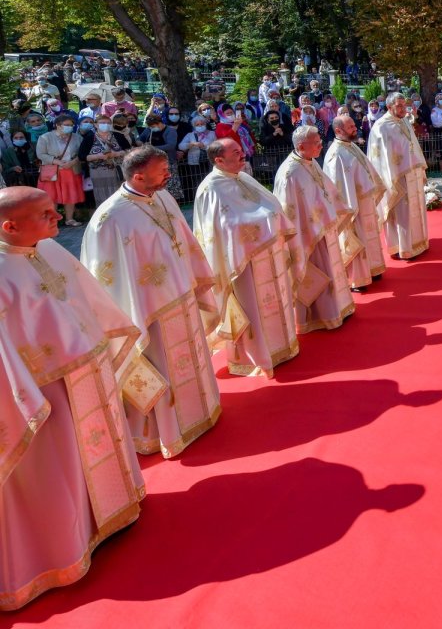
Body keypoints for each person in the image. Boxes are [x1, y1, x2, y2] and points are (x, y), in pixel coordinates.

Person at [0, 187, 144, 611]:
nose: (58, 218)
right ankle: (57, 551)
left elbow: (81, 297)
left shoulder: (46, 249)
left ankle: (100, 521)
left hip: (83, 375)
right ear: (10, 226)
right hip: (40, 394)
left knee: (87, 455)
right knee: (54, 467)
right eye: (46, 214)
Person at [80, 147, 221, 457]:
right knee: (161, 366)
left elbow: (183, 240)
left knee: (190, 360)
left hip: (181, 298)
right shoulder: (109, 218)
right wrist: (129, 319)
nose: (168, 174)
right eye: (162, 170)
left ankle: (200, 412)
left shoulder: (162, 196)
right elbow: (106, 278)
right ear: (138, 175)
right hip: (148, 312)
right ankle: (163, 431)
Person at [193, 139, 302, 377]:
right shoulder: (210, 188)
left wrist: (271, 218)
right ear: (219, 160)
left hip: (267, 255)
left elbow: (271, 204)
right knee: (252, 307)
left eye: (241, 151)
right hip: (242, 263)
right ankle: (253, 356)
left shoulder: (243, 177)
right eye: (236, 153)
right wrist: (265, 221)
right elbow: (223, 229)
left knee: (275, 302)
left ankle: (281, 346)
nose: (243, 155)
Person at [273, 126, 356, 332]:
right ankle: (317, 318)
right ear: (301, 146)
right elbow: (288, 211)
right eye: (316, 142)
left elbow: (325, 190)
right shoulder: (290, 173)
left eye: (320, 140)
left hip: (323, 228)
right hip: (307, 235)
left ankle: (337, 308)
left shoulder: (309, 162)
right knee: (317, 272)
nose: (321, 144)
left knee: (331, 270)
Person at [323, 115, 387, 291]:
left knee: (370, 237)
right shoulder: (335, 154)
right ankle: (357, 279)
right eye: (350, 126)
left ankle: (373, 268)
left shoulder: (350, 146)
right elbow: (338, 187)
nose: (354, 128)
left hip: (364, 202)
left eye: (353, 125)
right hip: (353, 207)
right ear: (338, 130)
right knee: (358, 238)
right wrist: (349, 209)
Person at [367, 94, 429, 260]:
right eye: (399, 106)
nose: (403, 109)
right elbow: (379, 158)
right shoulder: (380, 127)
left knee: (414, 210)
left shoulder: (403, 121)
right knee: (402, 213)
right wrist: (390, 179)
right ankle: (403, 248)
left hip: (412, 175)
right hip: (396, 179)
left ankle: (419, 242)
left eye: (404, 105)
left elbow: (412, 145)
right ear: (389, 107)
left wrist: (420, 169)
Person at [36, 113, 84, 226]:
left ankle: (70, 219)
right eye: (67, 124)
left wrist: (72, 162)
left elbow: (81, 153)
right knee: (52, 196)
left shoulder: (77, 137)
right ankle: (52, 221)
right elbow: (40, 154)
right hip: (52, 170)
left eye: (71, 125)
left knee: (70, 195)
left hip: (71, 170)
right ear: (57, 125)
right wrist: (56, 161)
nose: (70, 127)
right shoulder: (45, 137)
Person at [80, 114, 132, 205]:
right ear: (96, 125)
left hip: (118, 171)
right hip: (98, 173)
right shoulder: (89, 137)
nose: (106, 125)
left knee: (119, 194)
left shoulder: (118, 136)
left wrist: (116, 154)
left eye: (108, 123)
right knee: (101, 194)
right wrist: (98, 156)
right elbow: (82, 156)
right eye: (102, 123)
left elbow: (129, 151)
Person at [215, 103, 254, 174]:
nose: (230, 114)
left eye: (231, 112)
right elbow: (227, 139)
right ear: (222, 114)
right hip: (233, 153)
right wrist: (235, 126)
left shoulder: (241, 122)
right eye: (227, 113)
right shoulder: (220, 126)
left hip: (246, 151)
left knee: (249, 173)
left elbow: (249, 134)